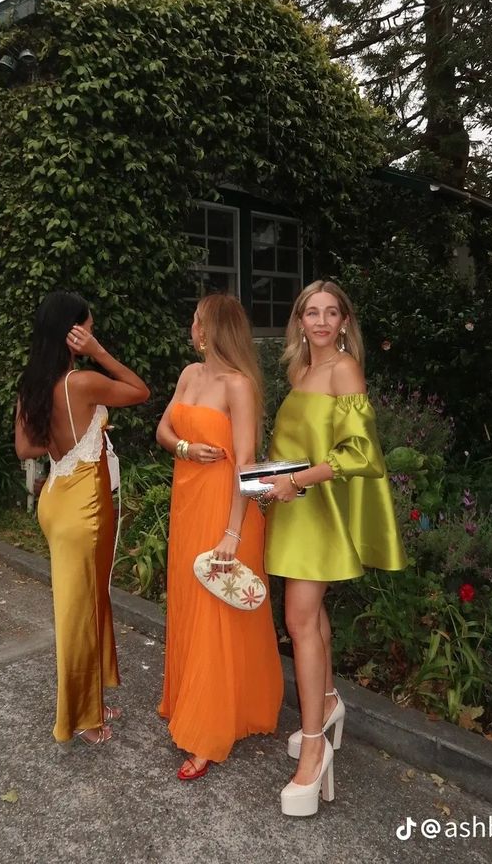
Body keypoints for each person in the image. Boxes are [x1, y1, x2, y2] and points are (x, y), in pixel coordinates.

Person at [262, 280, 406, 816]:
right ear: (299, 321)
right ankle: (326, 704)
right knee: (311, 615)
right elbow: (297, 443)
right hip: (294, 504)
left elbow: (361, 452)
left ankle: (315, 748)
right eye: (311, 313)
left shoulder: (344, 369)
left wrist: (297, 481)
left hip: (317, 509)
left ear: (345, 321)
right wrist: (270, 478)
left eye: (331, 313)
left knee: (298, 620)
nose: (321, 322)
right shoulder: (300, 371)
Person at [156, 294, 284, 780]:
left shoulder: (239, 385)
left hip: (229, 511)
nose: (191, 325)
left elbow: (248, 467)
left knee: (218, 613)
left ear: (212, 329)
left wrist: (233, 533)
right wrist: (186, 448)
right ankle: (192, 701)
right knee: (191, 601)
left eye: (196, 319)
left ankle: (207, 733)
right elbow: (163, 428)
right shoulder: (190, 375)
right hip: (189, 502)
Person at [15, 290, 150, 746]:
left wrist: (67, 440)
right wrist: (99, 355)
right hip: (84, 508)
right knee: (78, 613)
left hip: (56, 495)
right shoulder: (82, 382)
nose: (93, 335)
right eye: (89, 329)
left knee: (88, 603)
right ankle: (82, 720)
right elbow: (140, 391)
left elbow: (25, 449)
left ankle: (90, 700)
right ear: (73, 334)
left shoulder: (33, 381)